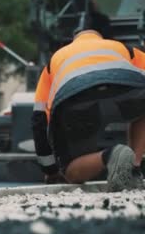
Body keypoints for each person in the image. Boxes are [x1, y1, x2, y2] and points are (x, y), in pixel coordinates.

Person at [32, 29, 145, 191]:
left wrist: (50, 170)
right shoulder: (122, 48)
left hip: (76, 97)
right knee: (142, 105)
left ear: (73, 40)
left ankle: (111, 155)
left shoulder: (54, 61)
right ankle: (134, 166)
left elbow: (39, 118)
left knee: (71, 172)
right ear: (100, 37)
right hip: (122, 86)